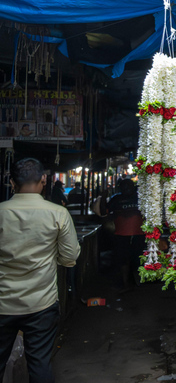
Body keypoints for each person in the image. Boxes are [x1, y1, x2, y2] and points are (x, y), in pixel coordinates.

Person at [0, 158, 80, 382]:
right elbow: (69, 258)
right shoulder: (58, 214)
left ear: (12, 182)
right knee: (39, 364)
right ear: (44, 179)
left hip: (3, 303)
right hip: (41, 304)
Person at [105, 179, 144, 289]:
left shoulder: (140, 197)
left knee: (137, 257)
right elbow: (106, 212)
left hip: (139, 233)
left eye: (129, 186)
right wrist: (103, 197)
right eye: (124, 187)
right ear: (120, 188)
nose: (126, 189)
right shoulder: (116, 199)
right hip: (121, 233)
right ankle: (126, 282)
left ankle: (137, 281)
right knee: (123, 258)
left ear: (133, 187)